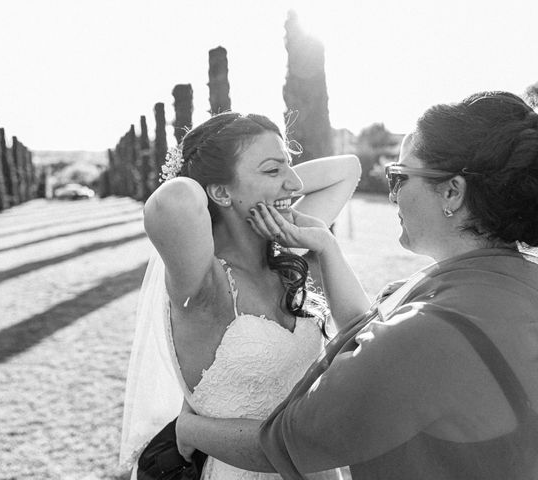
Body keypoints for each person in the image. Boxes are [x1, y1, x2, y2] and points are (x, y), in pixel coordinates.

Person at [175, 91, 538, 479]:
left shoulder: (428, 329)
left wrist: (188, 428)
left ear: (452, 192)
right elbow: (368, 343)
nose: (391, 192)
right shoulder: (510, 285)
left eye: (399, 177)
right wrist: (326, 246)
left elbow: (286, 444)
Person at [118, 112, 363, 480]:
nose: (295, 184)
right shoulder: (203, 285)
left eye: (290, 165)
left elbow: (348, 168)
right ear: (217, 192)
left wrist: (263, 188)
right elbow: (174, 200)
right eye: (273, 170)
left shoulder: (284, 257)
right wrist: (211, 177)